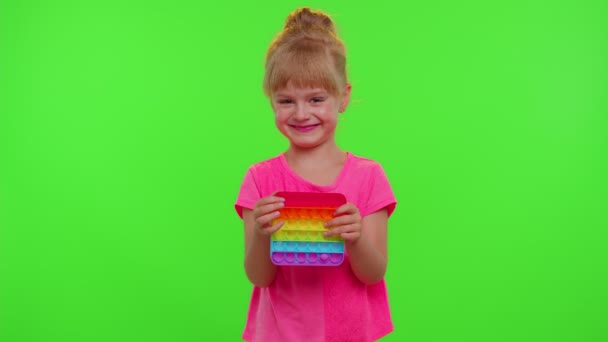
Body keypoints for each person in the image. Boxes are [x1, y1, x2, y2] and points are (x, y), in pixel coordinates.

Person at [234, 7, 397, 342]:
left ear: (344, 97)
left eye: (316, 98)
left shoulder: (369, 176)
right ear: (271, 102)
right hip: (281, 333)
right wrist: (264, 234)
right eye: (286, 101)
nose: (301, 113)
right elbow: (259, 276)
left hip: (349, 332)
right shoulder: (259, 179)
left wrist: (356, 239)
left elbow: (373, 273)